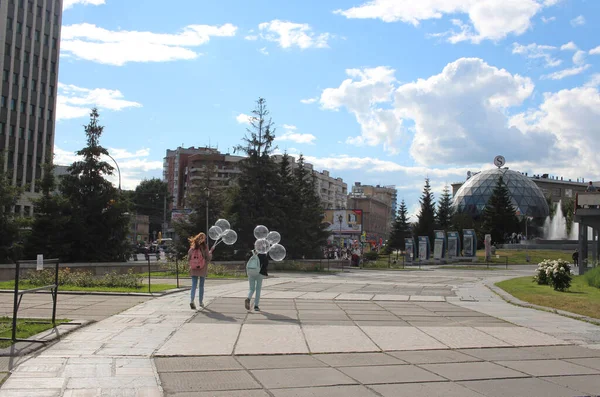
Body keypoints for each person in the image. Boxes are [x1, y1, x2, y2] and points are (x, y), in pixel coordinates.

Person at [188, 232, 214, 310]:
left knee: (193, 285)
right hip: (202, 268)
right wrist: (211, 251)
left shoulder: (192, 247)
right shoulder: (204, 247)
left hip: (193, 268)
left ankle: (192, 300)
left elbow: (188, 257)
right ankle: (200, 302)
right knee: (201, 286)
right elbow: (208, 258)